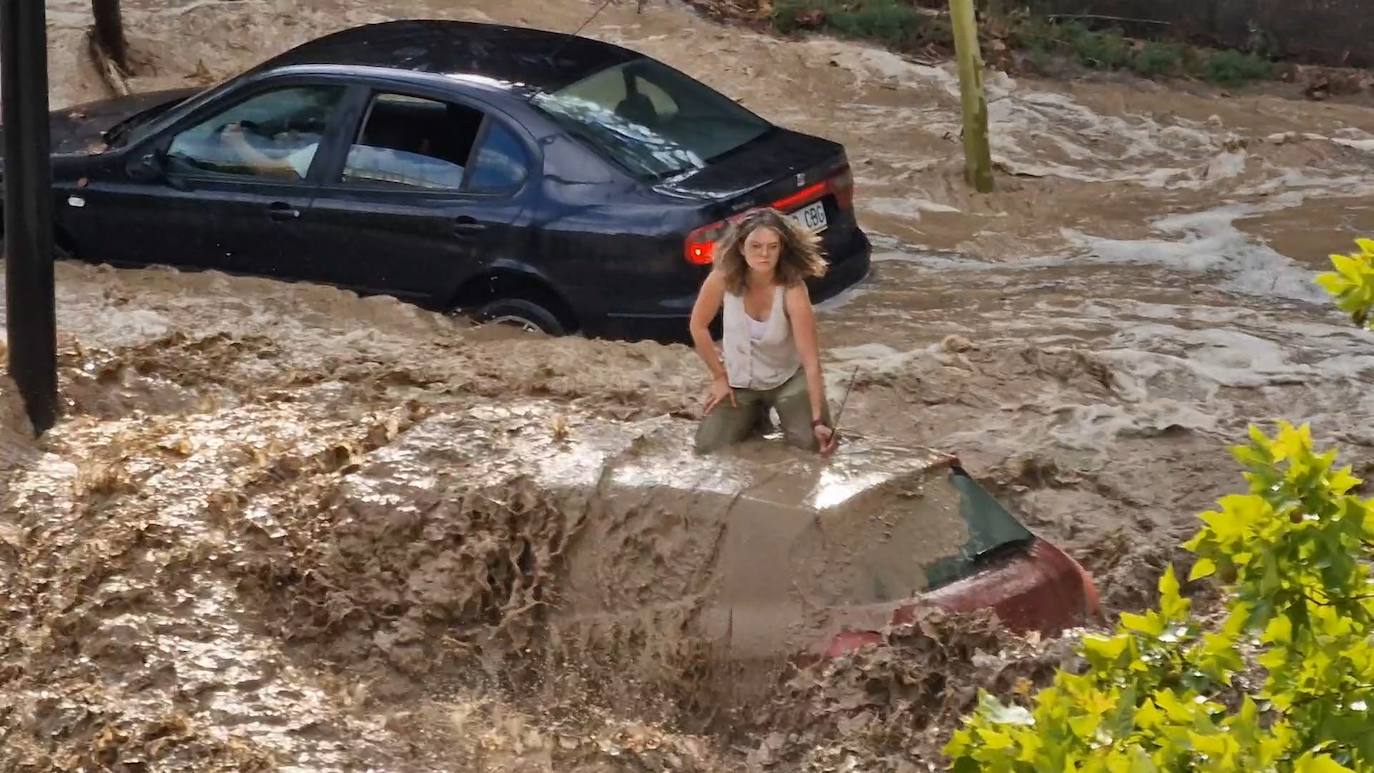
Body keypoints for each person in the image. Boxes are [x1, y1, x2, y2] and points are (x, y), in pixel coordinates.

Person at [689, 207, 838, 455]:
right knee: (706, 448)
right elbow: (698, 325)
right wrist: (718, 376)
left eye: (773, 247)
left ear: (782, 250)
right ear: (741, 247)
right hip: (740, 383)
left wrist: (817, 420)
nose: (764, 255)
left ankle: (783, 417)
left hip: (787, 379)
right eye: (756, 246)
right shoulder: (721, 278)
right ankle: (754, 418)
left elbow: (811, 362)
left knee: (811, 446)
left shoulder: (793, 289)